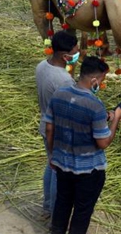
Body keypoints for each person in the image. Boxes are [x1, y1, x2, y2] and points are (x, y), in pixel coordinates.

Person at [46, 56, 121, 234]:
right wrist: (116, 120)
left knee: (62, 203)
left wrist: (52, 155)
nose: (102, 83)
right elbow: (103, 142)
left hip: (62, 164)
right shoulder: (95, 105)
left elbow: (49, 128)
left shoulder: (59, 95)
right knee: (82, 212)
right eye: (102, 79)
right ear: (93, 80)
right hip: (88, 171)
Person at [36, 31, 79, 219]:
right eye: (75, 52)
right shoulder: (64, 80)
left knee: (51, 166)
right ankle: (55, 214)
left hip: (45, 123)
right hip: (58, 130)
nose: (77, 55)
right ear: (65, 56)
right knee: (59, 174)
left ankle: (46, 207)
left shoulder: (42, 66)